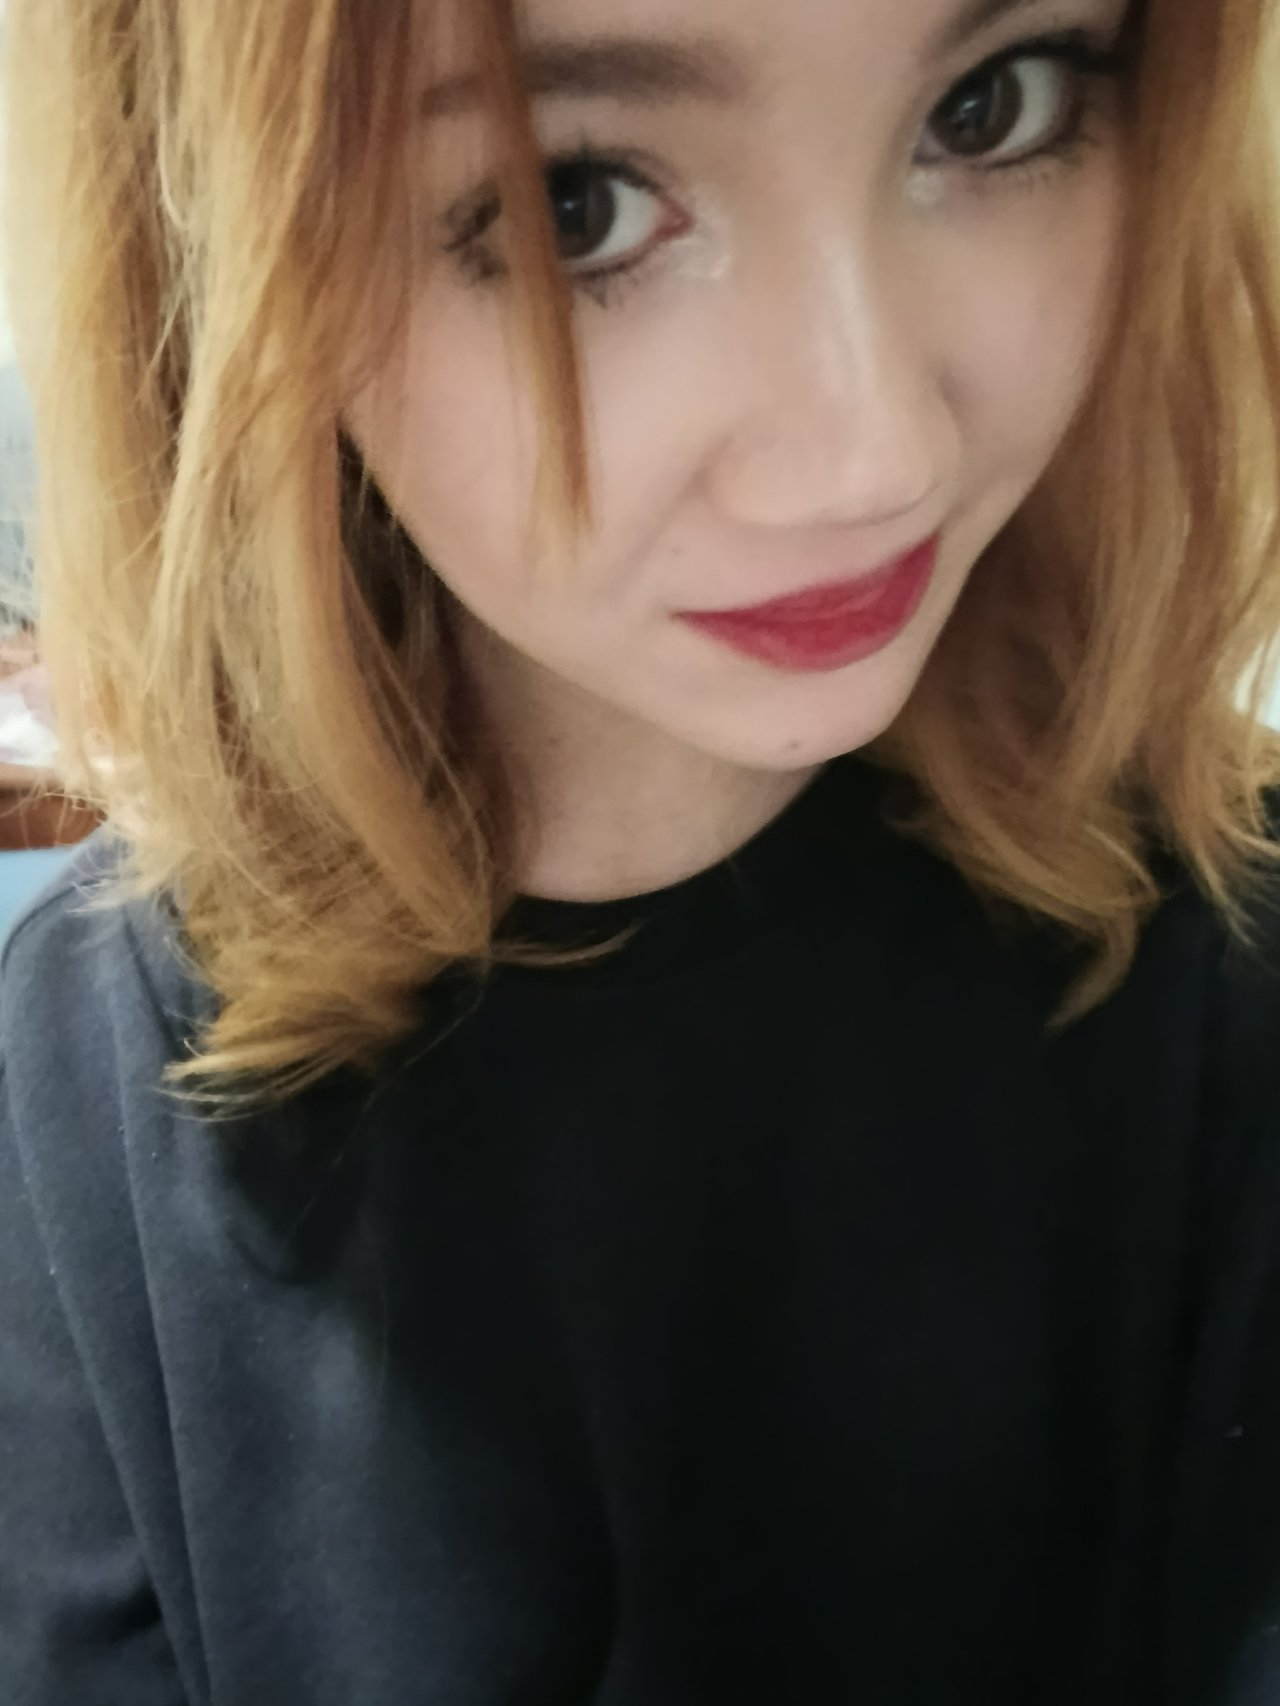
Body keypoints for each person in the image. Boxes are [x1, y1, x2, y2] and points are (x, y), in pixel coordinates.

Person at [3, 0, 1280, 1699]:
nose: (871, 455)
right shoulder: (79, 1081)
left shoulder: (1228, 972)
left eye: (992, 106)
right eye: (576, 203)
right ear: (222, 249)